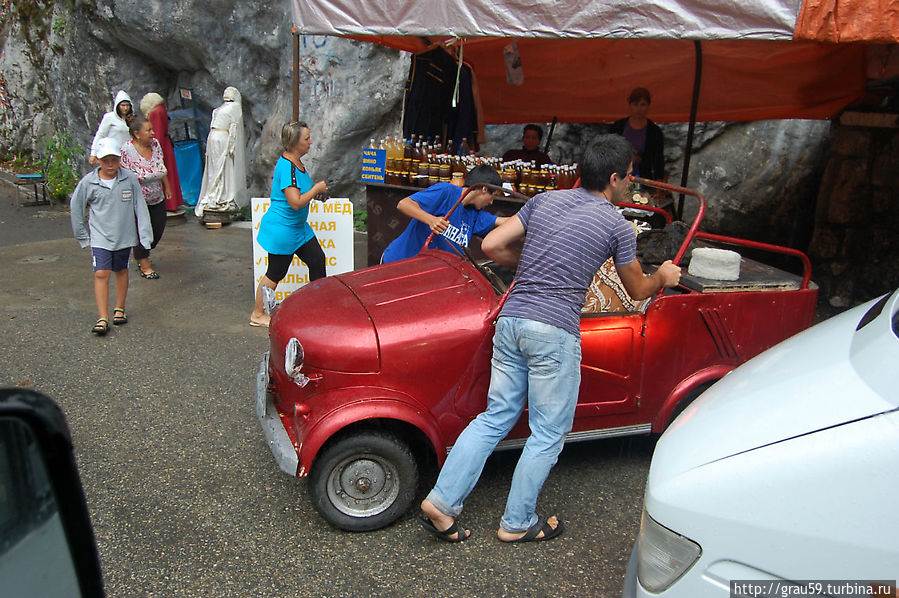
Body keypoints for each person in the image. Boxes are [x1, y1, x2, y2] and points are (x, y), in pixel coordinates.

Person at [419, 134, 681, 543]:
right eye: (629, 178)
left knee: (494, 417)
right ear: (613, 179)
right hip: (553, 330)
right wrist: (663, 276)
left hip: (512, 319)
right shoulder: (616, 224)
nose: (630, 184)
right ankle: (516, 522)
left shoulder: (546, 200)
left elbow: (490, 244)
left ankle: (442, 501)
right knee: (547, 432)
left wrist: (533, 265)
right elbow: (636, 290)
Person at [249, 121, 329, 328]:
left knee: (317, 260)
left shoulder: (297, 164)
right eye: (307, 139)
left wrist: (316, 194)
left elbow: (302, 193)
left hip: (298, 228)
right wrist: (316, 189)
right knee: (275, 272)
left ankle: (319, 307)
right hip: (283, 229)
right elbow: (295, 202)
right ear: (295, 143)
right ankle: (257, 314)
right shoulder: (286, 167)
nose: (311, 142)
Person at [70, 137, 152, 336]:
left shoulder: (129, 179)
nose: (110, 164)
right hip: (100, 236)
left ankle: (119, 309)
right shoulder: (89, 182)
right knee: (101, 273)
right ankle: (102, 317)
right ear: (98, 159)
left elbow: (140, 207)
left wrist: (145, 235)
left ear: (119, 159)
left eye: (114, 160)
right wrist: (82, 236)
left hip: (124, 235)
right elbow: (76, 206)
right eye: (105, 160)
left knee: (121, 270)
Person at [381, 164, 508, 263]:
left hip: (424, 273)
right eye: (493, 196)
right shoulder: (446, 191)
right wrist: (431, 220)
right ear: (484, 189)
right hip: (398, 263)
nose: (491, 202)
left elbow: (504, 222)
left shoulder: (475, 214)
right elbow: (403, 204)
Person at [120, 113, 172, 280]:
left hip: (156, 196)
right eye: (148, 130)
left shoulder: (155, 144)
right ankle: (145, 264)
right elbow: (126, 177)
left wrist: (167, 186)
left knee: (157, 230)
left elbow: (160, 166)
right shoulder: (126, 151)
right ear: (136, 133)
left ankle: (144, 252)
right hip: (137, 201)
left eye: (152, 130)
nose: (152, 133)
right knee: (142, 232)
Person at [195, 86, 247, 218]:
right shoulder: (224, 108)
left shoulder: (232, 107)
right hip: (216, 137)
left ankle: (222, 193)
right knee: (214, 166)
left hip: (221, 137)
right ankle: (215, 193)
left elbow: (234, 127)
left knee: (223, 166)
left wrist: (230, 145)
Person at [140, 92, 184, 213]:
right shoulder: (162, 108)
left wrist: (153, 149)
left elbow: (157, 132)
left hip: (162, 145)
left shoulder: (155, 112)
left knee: (162, 173)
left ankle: (168, 203)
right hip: (166, 143)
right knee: (168, 173)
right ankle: (172, 202)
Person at [609, 87, 665, 181]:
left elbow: (658, 160)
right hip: (618, 177)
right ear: (630, 105)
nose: (639, 109)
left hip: (644, 179)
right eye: (635, 105)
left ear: (648, 106)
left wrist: (659, 180)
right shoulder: (618, 127)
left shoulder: (654, 132)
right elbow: (609, 151)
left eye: (643, 105)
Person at [89, 90, 133, 166]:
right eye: (123, 105)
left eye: (127, 105)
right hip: (113, 153)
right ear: (118, 105)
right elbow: (100, 135)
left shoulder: (132, 119)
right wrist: (93, 153)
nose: (125, 108)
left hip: (129, 155)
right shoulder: (109, 117)